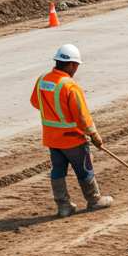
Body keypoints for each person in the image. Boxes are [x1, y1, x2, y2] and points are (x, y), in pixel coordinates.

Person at [30, 43, 113, 217]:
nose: (76, 69)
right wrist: (94, 134)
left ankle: (64, 206)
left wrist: (54, 112)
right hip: (72, 139)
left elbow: (35, 102)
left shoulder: (43, 79)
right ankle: (94, 200)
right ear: (71, 65)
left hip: (52, 139)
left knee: (58, 170)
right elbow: (82, 117)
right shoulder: (70, 86)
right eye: (76, 65)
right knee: (84, 169)